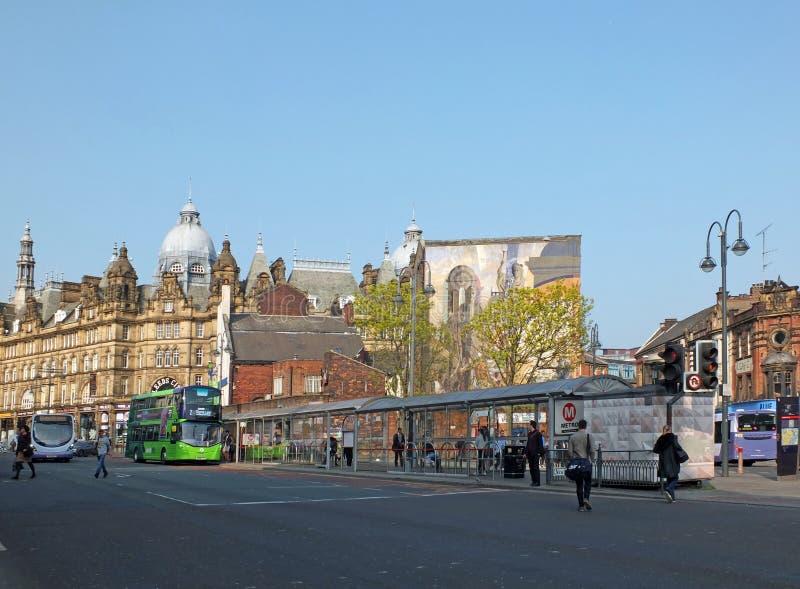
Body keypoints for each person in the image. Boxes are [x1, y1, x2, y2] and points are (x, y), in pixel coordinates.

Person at [653, 424, 684, 503]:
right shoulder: (672, 437)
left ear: (663, 430)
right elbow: (678, 448)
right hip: (672, 460)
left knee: (670, 478)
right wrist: (683, 456)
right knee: (675, 477)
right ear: (670, 430)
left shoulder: (660, 439)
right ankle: (669, 489)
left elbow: (655, 450)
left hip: (664, 462)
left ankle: (672, 498)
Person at [568, 419, 595, 511]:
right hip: (586, 462)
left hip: (577, 463)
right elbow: (592, 450)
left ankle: (581, 506)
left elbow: (570, 452)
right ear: (585, 426)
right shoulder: (589, 436)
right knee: (588, 482)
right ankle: (586, 498)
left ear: (578, 426)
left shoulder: (573, 437)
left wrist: (573, 460)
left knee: (579, 484)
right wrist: (592, 460)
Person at [525, 420, 545, 487]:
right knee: (531, 468)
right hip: (530, 454)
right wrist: (526, 453)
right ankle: (533, 481)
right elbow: (528, 444)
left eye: (529, 425)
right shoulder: (529, 434)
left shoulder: (538, 434)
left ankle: (537, 482)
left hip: (536, 454)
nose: (528, 426)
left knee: (536, 468)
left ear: (532, 425)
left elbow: (540, 444)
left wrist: (540, 453)